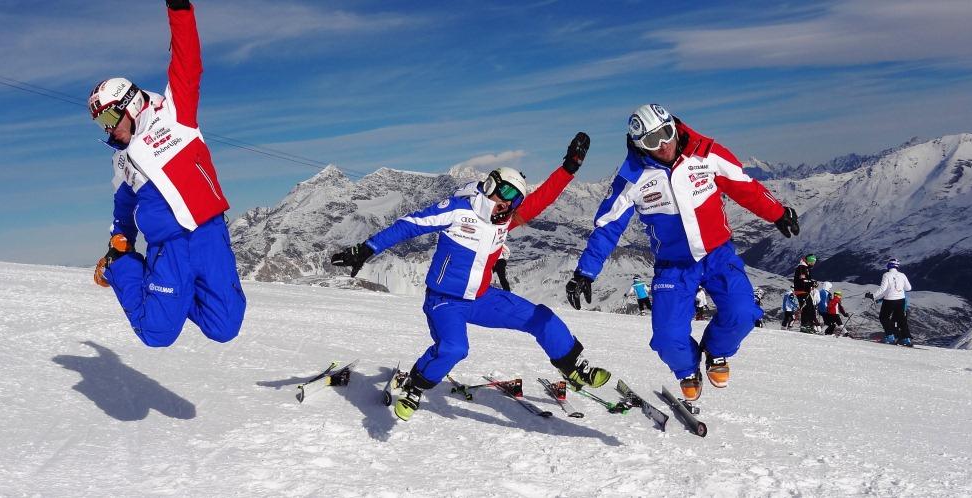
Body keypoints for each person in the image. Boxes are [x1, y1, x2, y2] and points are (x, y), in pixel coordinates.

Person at [331, 134, 612, 421]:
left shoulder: (504, 219)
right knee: (455, 348)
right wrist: (366, 248)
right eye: (505, 193)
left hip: (481, 298)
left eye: (516, 198)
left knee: (543, 318)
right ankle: (416, 385)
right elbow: (410, 225)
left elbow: (542, 198)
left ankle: (573, 367)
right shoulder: (458, 210)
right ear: (490, 186)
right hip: (445, 301)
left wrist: (569, 167)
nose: (509, 203)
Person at [564, 103, 800, 401]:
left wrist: (777, 212)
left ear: (674, 127)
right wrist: (585, 271)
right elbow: (608, 227)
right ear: (639, 145)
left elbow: (744, 186)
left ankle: (716, 350)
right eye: (652, 141)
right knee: (667, 337)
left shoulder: (707, 153)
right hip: (673, 266)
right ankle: (687, 368)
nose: (663, 145)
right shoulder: (632, 178)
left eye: (666, 133)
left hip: (717, 254)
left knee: (742, 312)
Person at [87, 0, 246, 347]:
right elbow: (123, 210)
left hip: (209, 236)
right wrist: (118, 247)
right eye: (101, 124)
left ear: (129, 104)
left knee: (224, 327)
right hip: (167, 248)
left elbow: (188, 61)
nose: (108, 129)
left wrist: (179, 9)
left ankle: (174, 295)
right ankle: (123, 268)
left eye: (109, 118)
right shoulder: (122, 161)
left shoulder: (174, 114)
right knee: (156, 333)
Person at [865, 258, 913, 347]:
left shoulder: (886, 275)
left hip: (889, 299)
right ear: (897, 266)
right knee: (901, 319)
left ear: (889, 266)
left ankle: (890, 336)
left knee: (884, 317)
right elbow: (908, 288)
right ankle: (906, 339)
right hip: (901, 300)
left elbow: (883, 288)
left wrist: (873, 296)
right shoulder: (902, 275)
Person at [793, 254, 819, 333]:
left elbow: (805, 280)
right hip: (801, 291)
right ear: (809, 261)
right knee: (806, 308)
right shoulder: (802, 267)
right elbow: (803, 280)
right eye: (813, 262)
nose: (813, 264)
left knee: (810, 308)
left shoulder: (806, 268)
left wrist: (812, 283)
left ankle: (809, 325)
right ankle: (805, 326)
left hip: (804, 291)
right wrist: (812, 283)